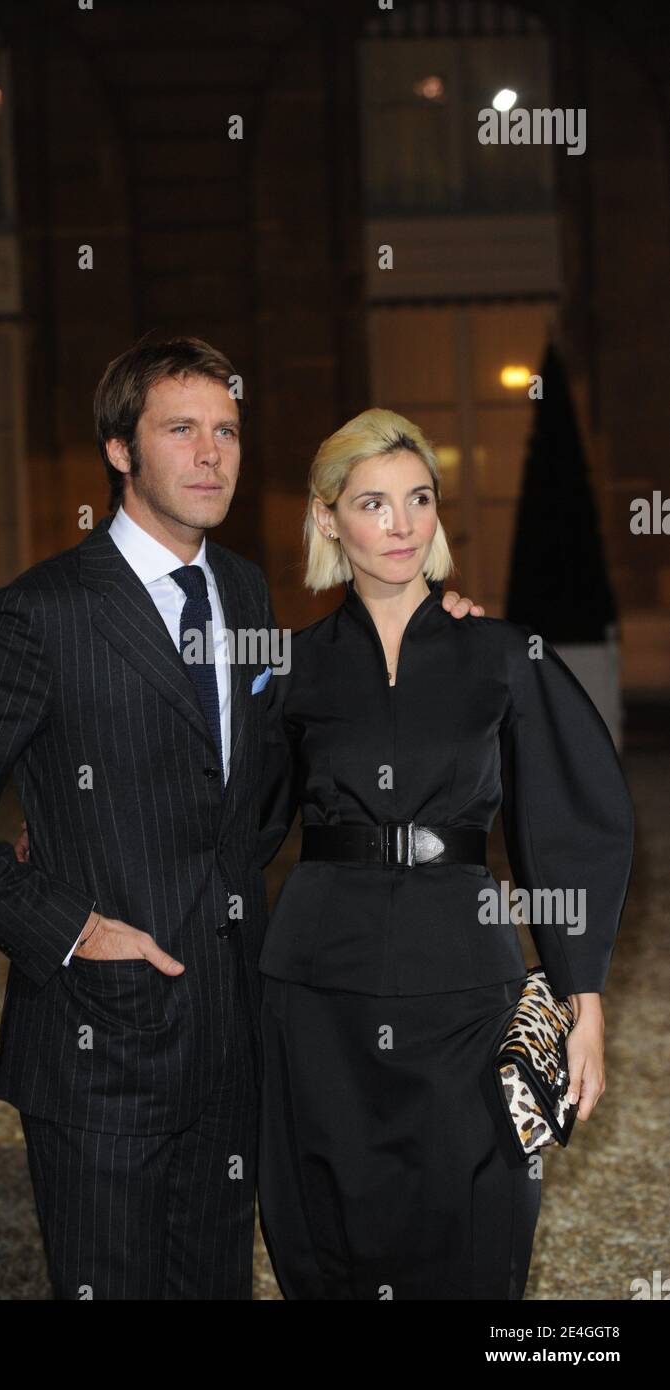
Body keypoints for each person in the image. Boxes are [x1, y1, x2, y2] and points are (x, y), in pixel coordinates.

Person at [0, 335, 481, 1301]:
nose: (211, 455)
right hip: (99, 1047)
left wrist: (427, 619)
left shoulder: (243, 591)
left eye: (228, 431)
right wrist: (68, 927)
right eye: (180, 431)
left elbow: (267, 780)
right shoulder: (40, 616)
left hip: (230, 1034)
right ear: (121, 450)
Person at [254, 407, 635, 1301]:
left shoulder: (502, 655)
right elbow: (231, 820)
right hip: (316, 991)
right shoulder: (291, 667)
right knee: (328, 1232)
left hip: (466, 983)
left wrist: (582, 999)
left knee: (475, 1225)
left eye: (418, 499)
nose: (401, 525)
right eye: (373, 503)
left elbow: (573, 818)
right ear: (326, 519)